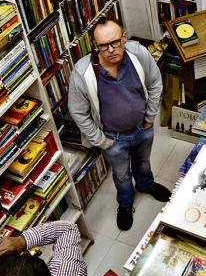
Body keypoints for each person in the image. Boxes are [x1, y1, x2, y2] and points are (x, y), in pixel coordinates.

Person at [68, 17, 171, 230]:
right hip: (112, 139)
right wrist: (101, 141)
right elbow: (78, 112)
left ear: (124, 38)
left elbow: (155, 83)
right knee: (122, 175)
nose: (111, 50)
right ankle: (125, 203)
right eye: (103, 46)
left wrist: (150, 118)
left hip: (143, 128)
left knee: (143, 163)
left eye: (116, 42)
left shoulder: (138, 54)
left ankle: (146, 185)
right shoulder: (82, 71)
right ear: (95, 46)